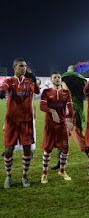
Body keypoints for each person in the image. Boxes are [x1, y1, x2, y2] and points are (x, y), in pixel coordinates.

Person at [0, 58, 40, 188]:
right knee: (8, 149)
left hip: (27, 121)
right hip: (12, 121)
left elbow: (38, 91)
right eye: (21, 66)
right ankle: (8, 177)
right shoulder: (9, 81)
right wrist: (1, 90)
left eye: (25, 66)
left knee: (27, 149)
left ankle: (25, 176)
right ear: (14, 68)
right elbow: (3, 87)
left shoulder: (29, 82)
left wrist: (34, 79)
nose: (24, 68)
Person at [40, 72, 74, 184]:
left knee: (65, 148)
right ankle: (44, 174)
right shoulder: (46, 92)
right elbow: (42, 106)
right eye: (55, 77)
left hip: (62, 125)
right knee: (48, 150)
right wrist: (52, 110)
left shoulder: (66, 92)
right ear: (51, 79)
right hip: (50, 125)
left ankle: (62, 171)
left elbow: (69, 107)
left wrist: (69, 120)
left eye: (59, 77)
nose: (57, 79)